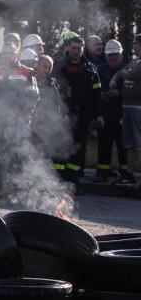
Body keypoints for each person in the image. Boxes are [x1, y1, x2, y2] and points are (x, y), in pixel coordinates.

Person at [0, 33, 39, 201]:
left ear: (17, 54)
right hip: (0, 123)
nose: (8, 56)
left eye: (12, 53)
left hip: (20, 123)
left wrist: (23, 116)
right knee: (3, 156)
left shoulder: (27, 72)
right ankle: (3, 188)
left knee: (21, 155)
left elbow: (33, 97)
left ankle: (22, 191)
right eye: (5, 53)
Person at [56, 34, 103, 191]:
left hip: (83, 115)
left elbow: (97, 94)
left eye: (79, 48)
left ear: (83, 49)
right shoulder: (59, 66)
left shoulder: (90, 69)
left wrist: (98, 115)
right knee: (61, 146)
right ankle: (58, 183)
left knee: (78, 149)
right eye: (73, 48)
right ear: (68, 48)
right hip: (63, 114)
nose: (76, 51)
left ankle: (74, 182)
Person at [95, 39, 129, 183]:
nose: (113, 57)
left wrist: (119, 93)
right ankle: (102, 172)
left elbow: (135, 91)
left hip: (123, 113)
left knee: (123, 145)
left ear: (121, 55)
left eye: (115, 54)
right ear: (106, 55)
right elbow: (93, 90)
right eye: (110, 55)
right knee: (104, 144)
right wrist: (101, 94)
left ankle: (125, 173)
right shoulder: (99, 70)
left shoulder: (128, 69)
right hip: (105, 113)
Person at [109, 34, 141, 186]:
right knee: (129, 143)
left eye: (136, 43)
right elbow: (122, 72)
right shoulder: (134, 61)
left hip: (138, 108)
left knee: (139, 142)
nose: (134, 46)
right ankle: (129, 174)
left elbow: (133, 75)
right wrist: (115, 78)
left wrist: (121, 74)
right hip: (127, 106)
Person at [31, 55, 68, 176]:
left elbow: (57, 105)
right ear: (37, 65)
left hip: (45, 126)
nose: (47, 70)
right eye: (44, 67)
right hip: (29, 124)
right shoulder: (28, 79)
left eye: (49, 67)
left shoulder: (52, 84)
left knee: (45, 155)